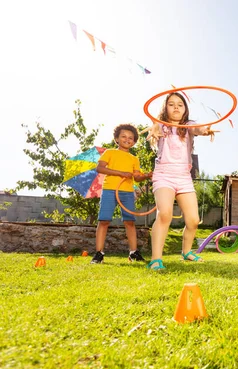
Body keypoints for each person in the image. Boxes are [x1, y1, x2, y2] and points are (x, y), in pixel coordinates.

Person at [145, 92, 216, 271]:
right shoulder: (162, 124)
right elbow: (155, 127)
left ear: (185, 109)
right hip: (163, 175)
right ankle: (155, 259)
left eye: (180, 104)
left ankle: (186, 252)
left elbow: (198, 129)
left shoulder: (189, 125)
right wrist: (154, 128)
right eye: (171, 104)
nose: (176, 107)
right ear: (165, 108)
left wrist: (205, 130)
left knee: (193, 220)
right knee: (165, 214)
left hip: (184, 177)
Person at [91, 124, 152, 264]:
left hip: (127, 192)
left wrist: (147, 175)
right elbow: (99, 168)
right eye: (123, 136)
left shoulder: (134, 159)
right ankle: (99, 253)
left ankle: (133, 252)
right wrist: (120, 173)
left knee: (129, 222)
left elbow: (136, 177)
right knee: (104, 221)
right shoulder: (110, 152)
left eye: (131, 138)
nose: (127, 139)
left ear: (134, 141)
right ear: (117, 139)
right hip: (109, 190)